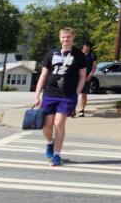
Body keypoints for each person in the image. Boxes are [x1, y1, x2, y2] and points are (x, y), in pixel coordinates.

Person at [33, 27, 88, 166]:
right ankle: (49, 143)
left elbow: (82, 77)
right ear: (60, 38)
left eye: (68, 37)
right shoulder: (52, 54)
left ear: (73, 38)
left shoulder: (79, 55)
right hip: (50, 94)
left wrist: (76, 93)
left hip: (67, 95)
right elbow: (43, 75)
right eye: (63, 37)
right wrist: (37, 95)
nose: (65, 39)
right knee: (46, 124)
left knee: (59, 123)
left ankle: (57, 154)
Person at [77, 41, 97, 117]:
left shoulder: (92, 55)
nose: (87, 47)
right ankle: (72, 109)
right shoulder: (78, 54)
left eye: (88, 46)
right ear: (83, 46)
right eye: (85, 46)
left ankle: (82, 110)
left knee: (84, 94)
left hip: (86, 77)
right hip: (76, 76)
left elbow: (94, 67)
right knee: (74, 94)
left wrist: (90, 75)